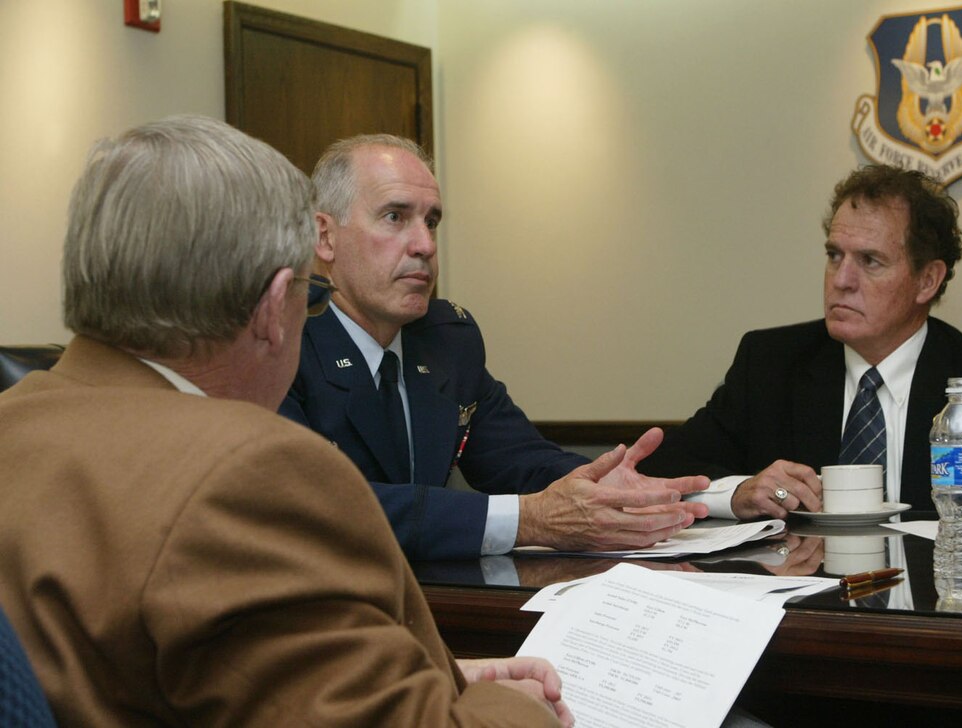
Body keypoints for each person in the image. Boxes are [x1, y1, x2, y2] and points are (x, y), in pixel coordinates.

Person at [0, 115, 573, 727]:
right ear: (276, 307)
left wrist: (446, 679)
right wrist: (512, 709)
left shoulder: (17, 420)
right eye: (313, 295)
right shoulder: (248, 473)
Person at [280, 134, 708, 560]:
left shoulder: (447, 338)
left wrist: (603, 484)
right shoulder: (280, 347)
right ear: (325, 237)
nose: (425, 245)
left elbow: (517, 457)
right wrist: (529, 519)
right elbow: (323, 507)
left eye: (431, 222)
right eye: (395, 217)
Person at [639, 164, 962, 519]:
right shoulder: (770, 364)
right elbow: (663, 468)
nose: (840, 280)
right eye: (834, 255)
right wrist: (738, 491)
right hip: (800, 602)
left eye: (870, 261)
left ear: (927, 280)